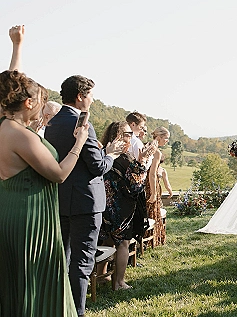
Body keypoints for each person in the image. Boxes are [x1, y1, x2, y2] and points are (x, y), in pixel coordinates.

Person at [0, 27, 90, 316]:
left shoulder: (3, 125)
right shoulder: (21, 136)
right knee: (33, 280)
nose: (41, 105)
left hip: (9, 212)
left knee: (17, 281)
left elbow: (11, 86)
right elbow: (59, 173)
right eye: (38, 100)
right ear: (28, 103)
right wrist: (79, 142)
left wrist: (18, 47)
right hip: (31, 219)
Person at [44, 75, 124, 316]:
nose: (92, 100)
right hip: (86, 203)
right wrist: (110, 155)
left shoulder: (53, 122)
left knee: (63, 259)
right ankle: (76, 312)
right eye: (90, 95)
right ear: (80, 97)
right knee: (81, 263)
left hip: (60, 200)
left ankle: (59, 306)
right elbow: (97, 167)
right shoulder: (82, 125)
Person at [98, 121, 156, 290]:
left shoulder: (103, 153)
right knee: (123, 243)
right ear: (119, 136)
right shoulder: (124, 158)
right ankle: (119, 282)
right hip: (120, 209)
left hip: (103, 207)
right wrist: (142, 161)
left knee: (106, 241)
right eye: (128, 135)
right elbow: (135, 185)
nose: (130, 139)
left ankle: (101, 277)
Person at [146, 127, 171, 246]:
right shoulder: (156, 152)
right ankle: (152, 240)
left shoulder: (146, 145)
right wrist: (154, 192)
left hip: (143, 183)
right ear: (159, 137)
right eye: (166, 138)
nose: (167, 141)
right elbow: (152, 174)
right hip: (150, 184)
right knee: (152, 211)